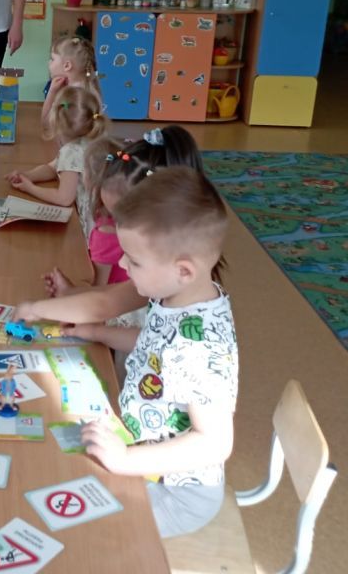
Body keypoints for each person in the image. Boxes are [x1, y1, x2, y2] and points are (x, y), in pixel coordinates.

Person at [65, 166, 237, 538]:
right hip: (145, 457)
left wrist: (126, 458)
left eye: (134, 260)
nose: (121, 265)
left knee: (83, 534)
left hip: (177, 493)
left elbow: (214, 443)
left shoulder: (199, 347)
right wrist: (97, 332)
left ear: (183, 270)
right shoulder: (178, 297)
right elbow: (153, 345)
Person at [43, 126, 205, 299]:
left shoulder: (108, 233)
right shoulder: (174, 248)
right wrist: (71, 292)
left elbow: (105, 298)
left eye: (121, 217)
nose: (122, 262)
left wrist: (70, 294)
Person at [5, 86, 107, 239]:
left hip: (92, 227)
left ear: (56, 123)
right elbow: (52, 168)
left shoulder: (71, 152)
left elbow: (64, 198)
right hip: (106, 218)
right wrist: (27, 175)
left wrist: (30, 188)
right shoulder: (91, 141)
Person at [41, 36, 100, 136]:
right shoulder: (88, 87)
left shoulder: (73, 95)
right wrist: (52, 90)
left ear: (67, 66)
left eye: (52, 59)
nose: (49, 62)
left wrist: (52, 92)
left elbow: (47, 123)